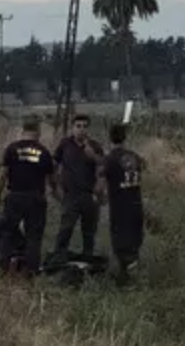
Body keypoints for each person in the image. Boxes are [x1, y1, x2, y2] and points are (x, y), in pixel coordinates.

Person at [0, 119, 58, 277]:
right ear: (38, 131)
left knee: (8, 232)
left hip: (15, 196)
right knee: (34, 236)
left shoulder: (12, 149)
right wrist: (55, 193)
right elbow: (52, 179)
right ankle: (31, 271)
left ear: (23, 130)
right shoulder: (44, 151)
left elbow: (3, 175)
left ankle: (3, 268)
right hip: (36, 197)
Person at [52, 113, 104, 259]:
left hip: (88, 195)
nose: (81, 130)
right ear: (72, 128)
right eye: (78, 126)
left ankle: (87, 260)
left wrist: (92, 155)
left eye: (85, 127)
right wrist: (55, 186)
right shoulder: (65, 144)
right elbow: (54, 165)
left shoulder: (95, 146)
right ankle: (58, 258)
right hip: (70, 195)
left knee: (89, 232)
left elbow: (103, 168)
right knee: (65, 229)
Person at [99, 123, 146, 283]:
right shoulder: (135, 157)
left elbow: (101, 183)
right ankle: (133, 273)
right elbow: (143, 167)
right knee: (134, 242)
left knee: (120, 244)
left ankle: (126, 278)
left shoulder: (109, 159)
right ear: (125, 138)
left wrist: (99, 197)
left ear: (109, 137)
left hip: (120, 208)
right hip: (136, 205)